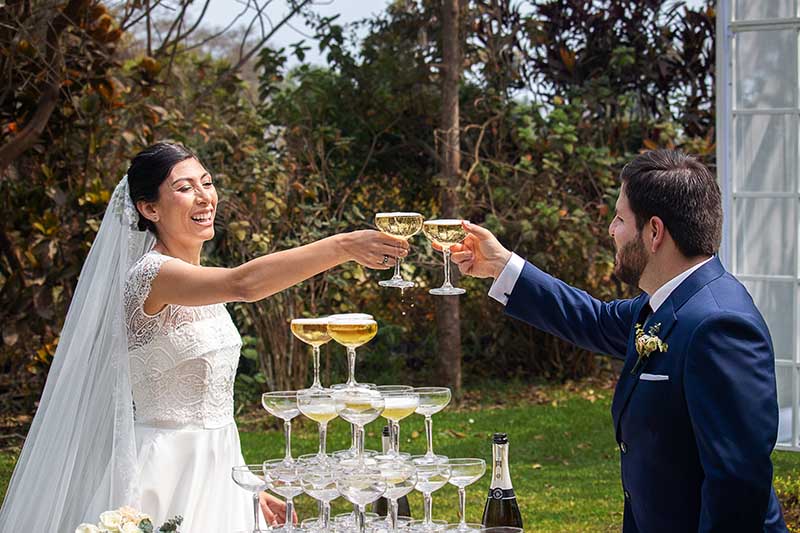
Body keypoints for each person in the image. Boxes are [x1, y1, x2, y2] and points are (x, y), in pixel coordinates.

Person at [0, 142, 408, 532]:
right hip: (166, 475)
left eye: (207, 183)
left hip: (219, 468)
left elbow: (210, 407)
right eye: (184, 187)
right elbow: (245, 284)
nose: (204, 197)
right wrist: (343, 245)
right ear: (148, 208)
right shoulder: (152, 275)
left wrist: (246, 484)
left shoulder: (199, 283)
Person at [450, 149, 787, 532]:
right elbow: (593, 320)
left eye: (620, 218)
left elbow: (737, 487)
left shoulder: (719, 326)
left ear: (654, 232)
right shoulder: (665, 303)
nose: (611, 229)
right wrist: (500, 265)